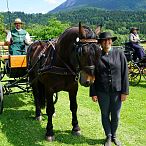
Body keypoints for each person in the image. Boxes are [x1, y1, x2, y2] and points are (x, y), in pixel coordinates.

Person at [90, 32, 129, 146]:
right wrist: (93, 93)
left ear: (112, 41)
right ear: (101, 43)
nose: (107, 42)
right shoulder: (97, 56)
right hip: (102, 91)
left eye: (109, 40)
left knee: (116, 115)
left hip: (117, 91)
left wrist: (125, 91)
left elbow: (125, 73)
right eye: (104, 40)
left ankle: (115, 135)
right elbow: (92, 76)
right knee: (105, 114)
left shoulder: (119, 54)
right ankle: (108, 136)